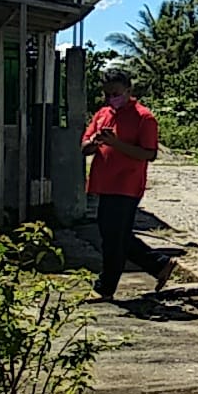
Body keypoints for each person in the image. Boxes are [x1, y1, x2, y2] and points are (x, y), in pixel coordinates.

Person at [81, 69, 176, 301]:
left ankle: (105, 288)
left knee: (114, 238)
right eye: (106, 94)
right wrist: (94, 142)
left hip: (127, 184)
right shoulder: (103, 114)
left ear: (128, 91)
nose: (110, 98)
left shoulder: (144, 117)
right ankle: (159, 264)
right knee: (115, 236)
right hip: (104, 183)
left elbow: (149, 154)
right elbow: (84, 147)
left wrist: (116, 143)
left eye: (115, 93)